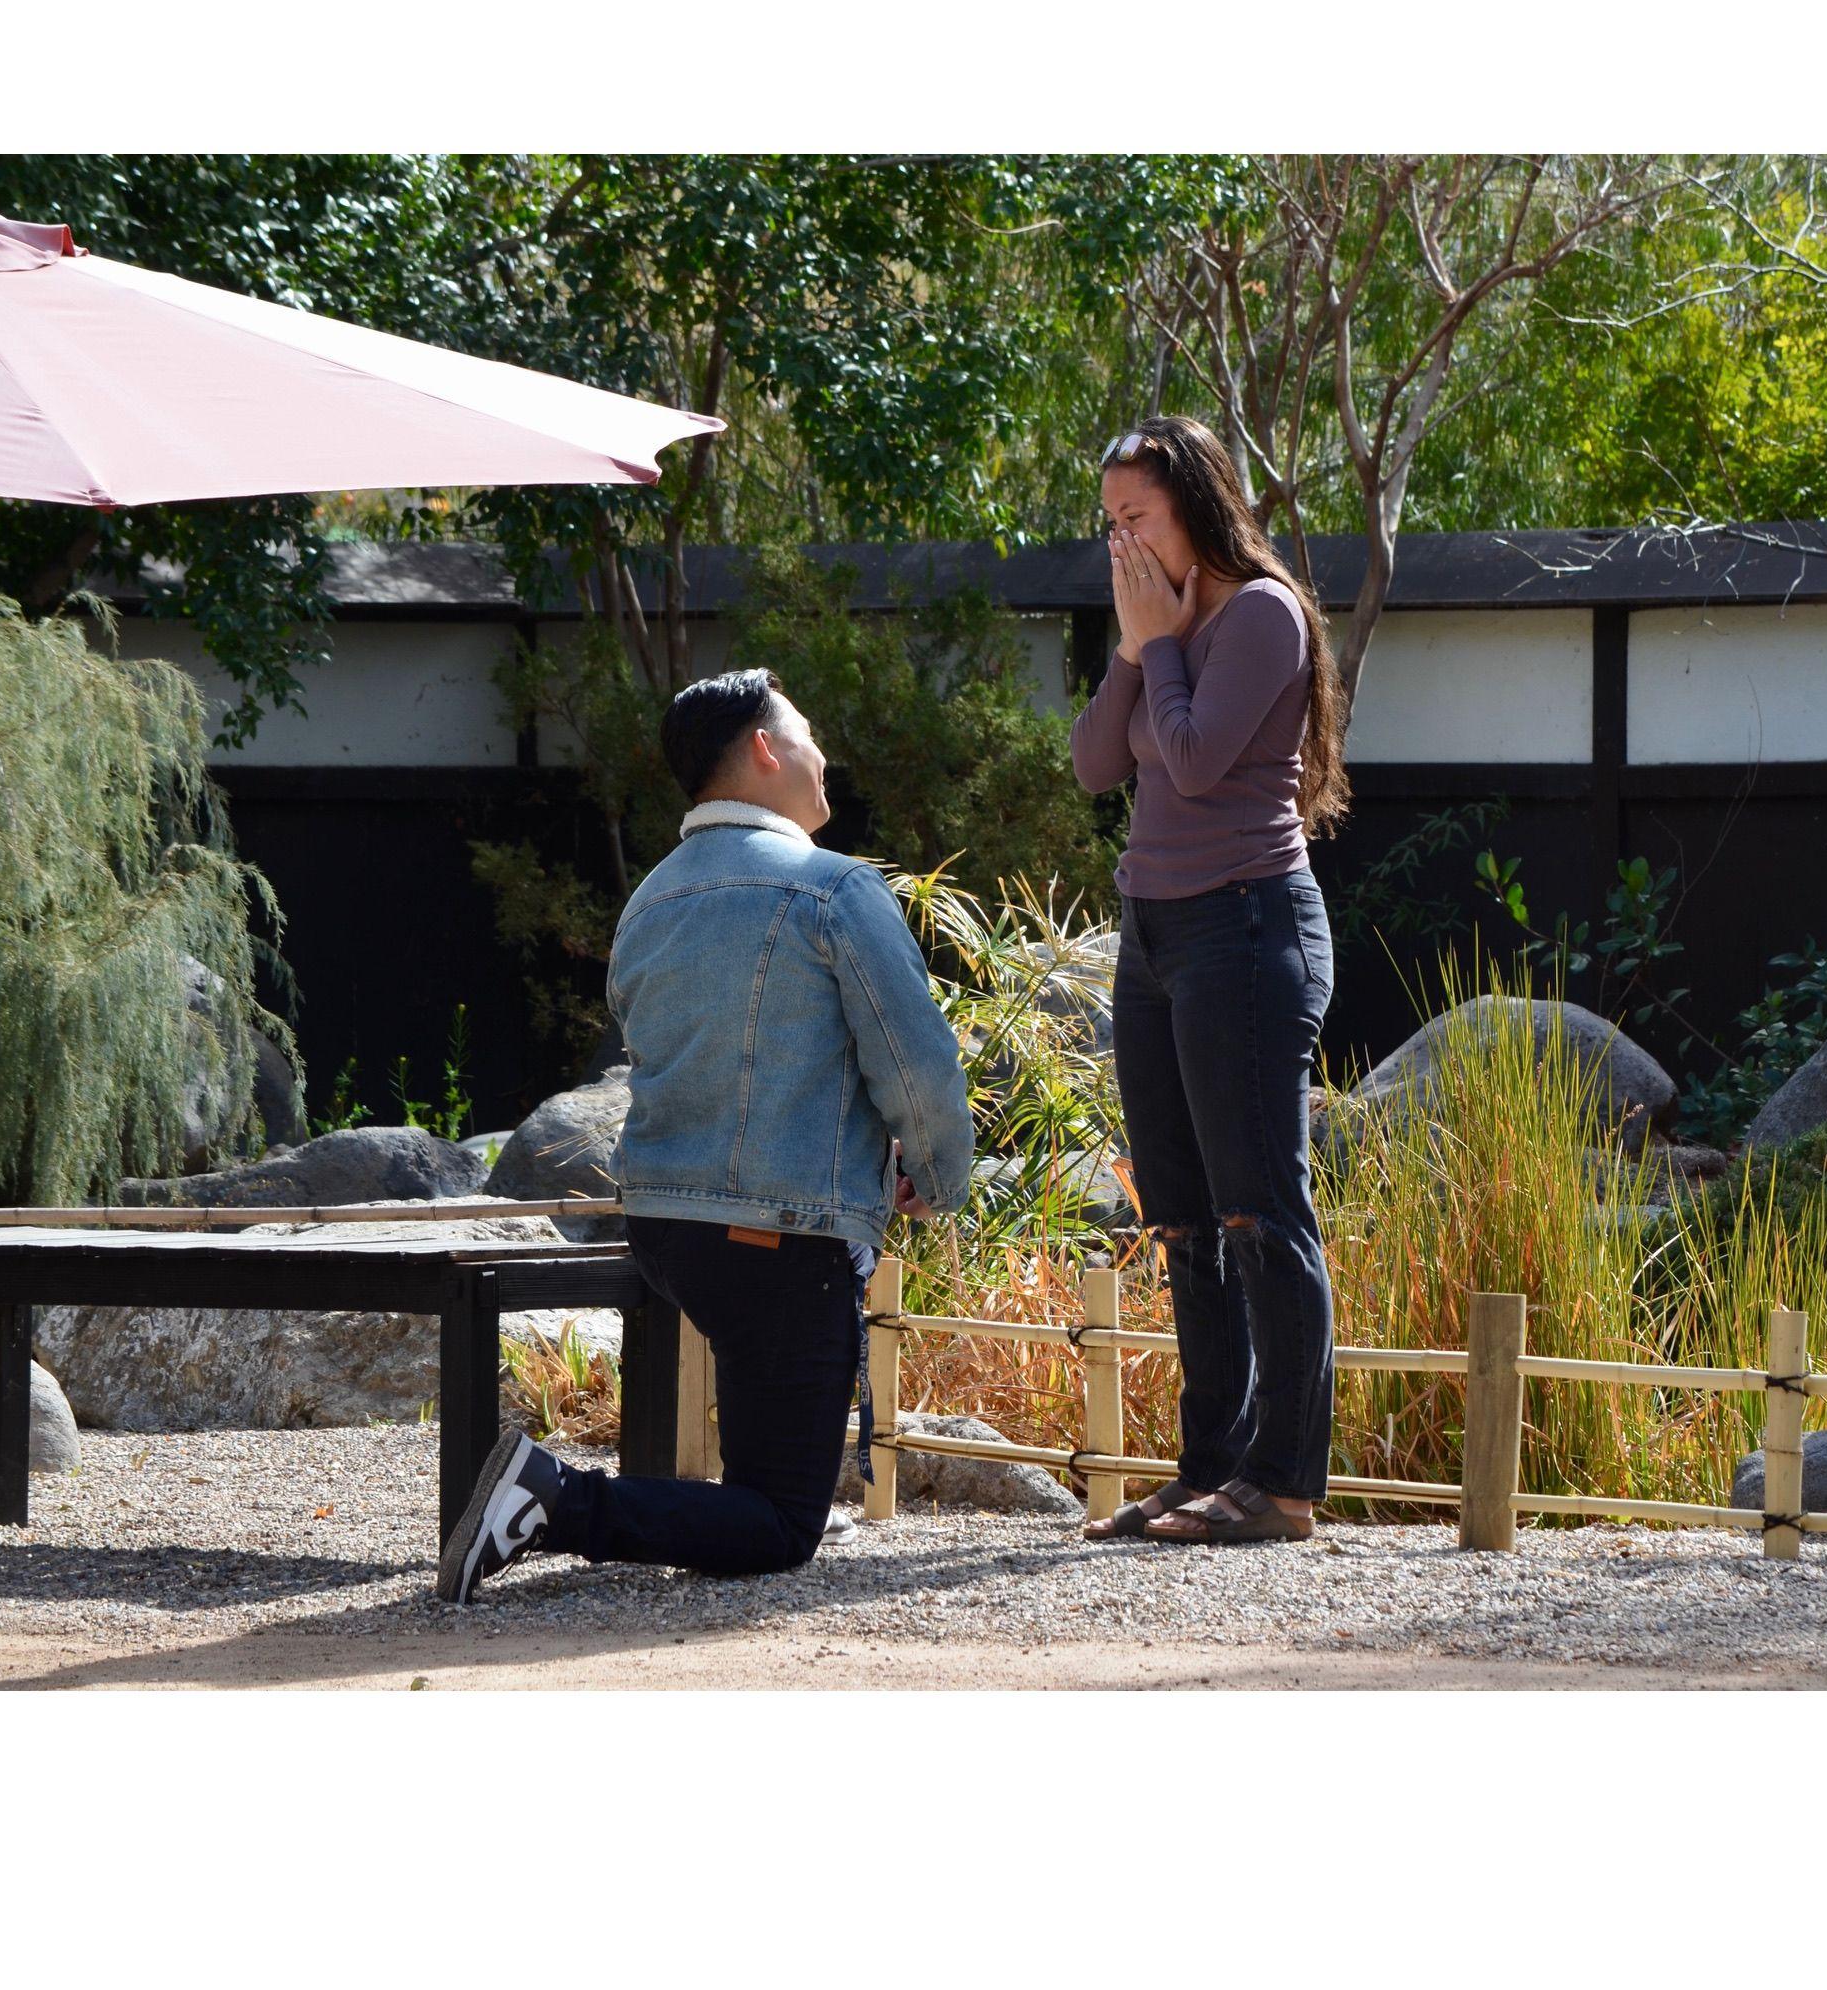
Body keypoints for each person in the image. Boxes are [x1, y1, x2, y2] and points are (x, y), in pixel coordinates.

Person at [437, 668, 974, 1603]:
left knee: (766, 1488)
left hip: (668, 1234)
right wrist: (936, 1172)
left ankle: (551, 1499)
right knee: (777, 1524)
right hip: (777, 1238)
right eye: (806, 733)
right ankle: (551, 1499)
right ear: (764, 749)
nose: (821, 756)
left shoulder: (650, 899)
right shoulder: (831, 889)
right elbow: (914, 1060)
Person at [1069, 416, 1349, 1544]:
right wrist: (1136, 648)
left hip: (1245, 928)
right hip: (1153, 937)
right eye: (1109, 522)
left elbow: (1188, 757)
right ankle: (1208, 1466)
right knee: (1183, 1220)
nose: (1120, 539)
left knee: (1259, 1209)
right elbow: (1097, 764)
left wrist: (1163, 644)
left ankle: (1282, 1482)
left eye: (1135, 516)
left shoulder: (1262, 616)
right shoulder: (1158, 627)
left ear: (1193, 504)